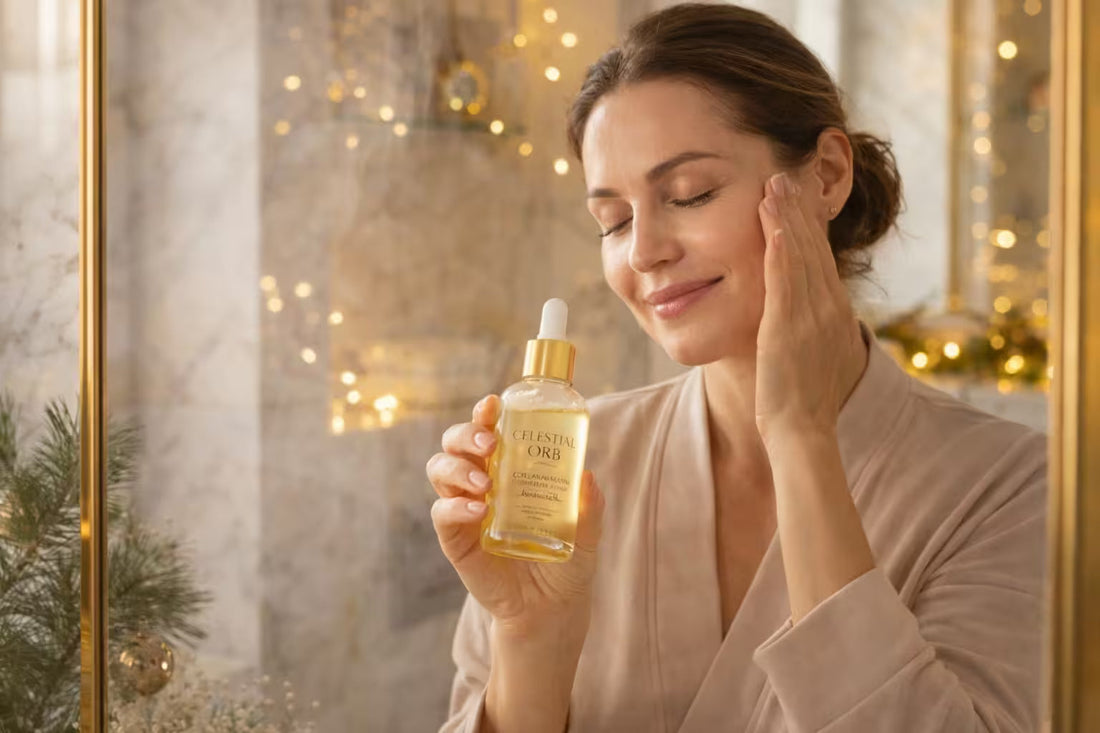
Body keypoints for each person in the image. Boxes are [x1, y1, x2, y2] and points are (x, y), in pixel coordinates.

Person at [426, 4, 1047, 732]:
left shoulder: (1010, 489)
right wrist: (532, 636)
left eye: (690, 194)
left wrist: (801, 434)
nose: (643, 251)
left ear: (827, 175)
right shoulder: (565, 473)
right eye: (614, 221)